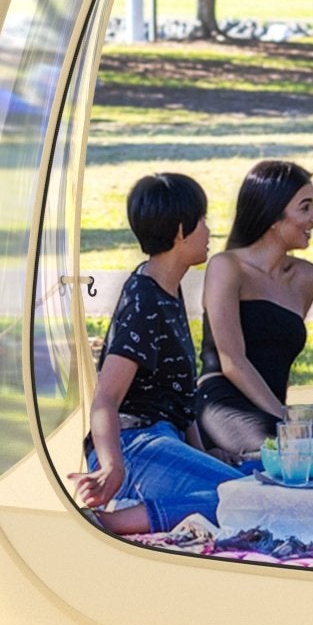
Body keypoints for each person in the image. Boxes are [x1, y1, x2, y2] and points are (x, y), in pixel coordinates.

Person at [69, 174, 243, 533]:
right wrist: (111, 467)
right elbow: (105, 398)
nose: (210, 231)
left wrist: (203, 453)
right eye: (203, 220)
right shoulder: (143, 299)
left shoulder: (168, 289)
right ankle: (107, 523)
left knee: (259, 485)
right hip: (135, 446)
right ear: (181, 231)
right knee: (243, 499)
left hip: (165, 440)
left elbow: (180, 399)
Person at [193, 160, 313, 458]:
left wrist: (284, 417)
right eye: (305, 207)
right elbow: (231, 359)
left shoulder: (306, 278)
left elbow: (278, 356)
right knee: (290, 453)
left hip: (272, 414)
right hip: (223, 405)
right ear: (272, 217)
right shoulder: (227, 267)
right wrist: (285, 419)